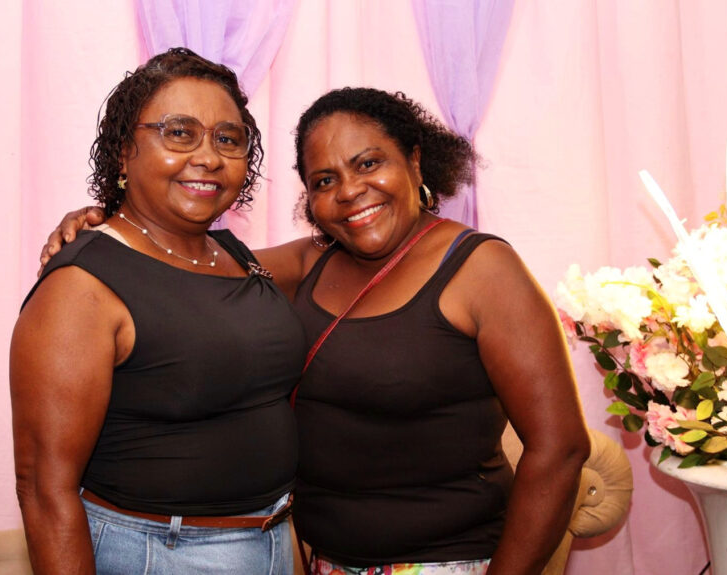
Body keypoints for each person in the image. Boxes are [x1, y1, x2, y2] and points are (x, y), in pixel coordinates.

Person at [43, 87, 591, 575]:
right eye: (325, 181)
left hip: (446, 560)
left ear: (415, 161)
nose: (350, 191)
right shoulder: (313, 262)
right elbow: (182, 268)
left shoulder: (481, 268)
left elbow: (561, 449)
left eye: (369, 163)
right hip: (313, 558)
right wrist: (114, 224)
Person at [10, 48, 303, 575]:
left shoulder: (233, 257)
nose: (208, 157)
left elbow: (330, 250)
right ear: (125, 152)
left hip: (274, 541)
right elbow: (43, 489)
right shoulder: (81, 286)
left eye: (228, 139)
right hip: (160, 554)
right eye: (180, 133)